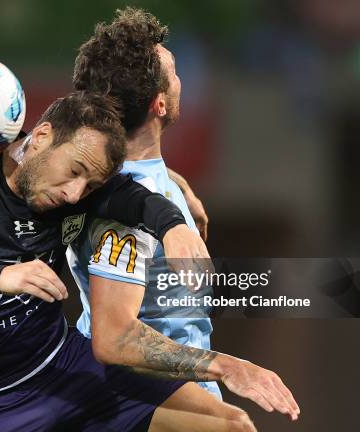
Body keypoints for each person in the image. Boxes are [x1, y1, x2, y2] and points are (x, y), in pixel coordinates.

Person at [0, 91, 246, 431]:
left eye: (90, 185)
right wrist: (1, 278)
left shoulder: (77, 190)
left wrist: (174, 227)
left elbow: (136, 199)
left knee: (226, 425)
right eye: (75, 171)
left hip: (62, 367)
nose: (75, 193)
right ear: (42, 136)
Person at [67, 6, 300, 424]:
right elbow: (114, 336)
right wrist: (231, 367)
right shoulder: (126, 220)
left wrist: (176, 187)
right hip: (141, 399)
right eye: (174, 72)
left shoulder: (131, 181)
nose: (181, 79)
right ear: (159, 104)